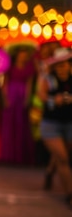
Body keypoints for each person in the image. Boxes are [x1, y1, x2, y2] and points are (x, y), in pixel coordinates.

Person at [36, 47, 72, 206]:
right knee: (63, 159)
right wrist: (54, 100)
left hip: (69, 123)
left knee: (64, 155)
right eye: (59, 65)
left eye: (64, 64)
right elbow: (41, 95)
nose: (62, 68)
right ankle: (70, 194)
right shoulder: (48, 79)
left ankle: (50, 171)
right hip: (51, 124)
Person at [0, 41, 37, 164]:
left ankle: (21, 155)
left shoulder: (30, 67)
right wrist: (5, 98)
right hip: (11, 94)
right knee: (10, 124)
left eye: (25, 54)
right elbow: (4, 83)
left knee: (22, 124)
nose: (23, 56)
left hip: (22, 96)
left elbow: (29, 85)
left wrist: (27, 98)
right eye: (21, 53)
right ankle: (9, 155)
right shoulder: (9, 66)